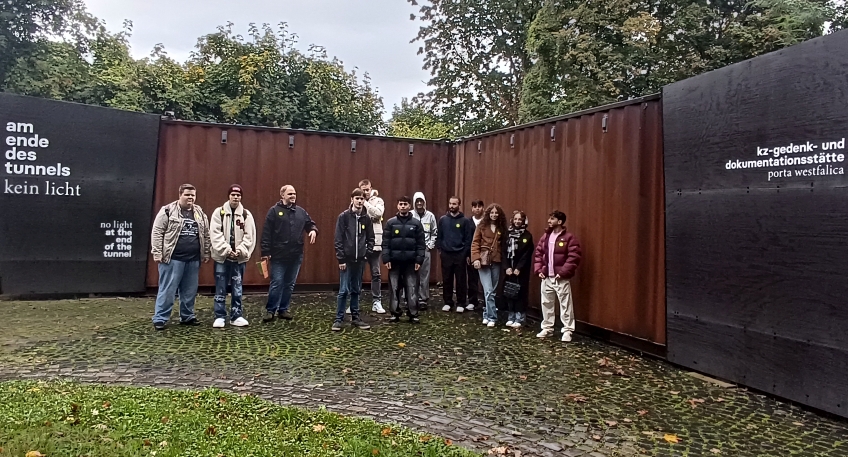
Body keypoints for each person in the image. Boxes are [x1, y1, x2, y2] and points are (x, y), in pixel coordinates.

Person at [150, 183, 211, 330]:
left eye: (193, 195)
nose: (190, 197)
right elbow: (157, 232)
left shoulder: (200, 213)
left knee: (190, 291)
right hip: (173, 259)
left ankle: (187, 316)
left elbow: (206, 234)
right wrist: (157, 252)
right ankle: (160, 318)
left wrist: (206, 252)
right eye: (187, 194)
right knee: (168, 290)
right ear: (180, 195)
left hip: (193, 259)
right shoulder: (167, 211)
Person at [260, 185, 318, 322]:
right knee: (277, 283)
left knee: (289, 284)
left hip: (296, 256)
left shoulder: (301, 212)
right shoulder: (274, 211)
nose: (293, 196)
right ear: (282, 195)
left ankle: (283, 309)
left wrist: (313, 230)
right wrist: (265, 252)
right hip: (278, 256)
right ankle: (270, 310)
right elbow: (266, 233)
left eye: (294, 194)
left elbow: (310, 223)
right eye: (290, 193)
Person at [209, 184, 257, 328]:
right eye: (233, 195)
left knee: (237, 288)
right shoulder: (219, 213)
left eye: (238, 195)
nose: (236, 197)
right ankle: (219, 316)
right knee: (220, 287)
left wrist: (241, 250)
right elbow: (215, 234)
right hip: (222, 258)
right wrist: (226, 250)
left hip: (238, 259)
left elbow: (250, 235)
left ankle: (236, 316)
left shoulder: (246, 215)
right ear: (229, 196)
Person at [533, 210, 582, 342]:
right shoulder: (545, 237)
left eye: (552, 219)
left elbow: (574, 257)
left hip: (560, 278)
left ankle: (567, 330)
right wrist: (539, 270)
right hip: (546, 277)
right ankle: (547, 328)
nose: (549, 221)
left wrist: (563, 272)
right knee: (546, 303)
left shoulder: (569, 238)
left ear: (559, 221)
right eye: (549, 218)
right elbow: (538, 254)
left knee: (565, 304)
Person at [332, 188, 375, 331]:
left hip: (360, 260)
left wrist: (367, 254)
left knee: (356, 289)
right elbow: (338, 239)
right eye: (357, 198)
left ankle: (356, 318)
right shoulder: (344, 217)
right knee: (344, 290)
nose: (360, 201)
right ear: (352, 199)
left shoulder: (366, 218)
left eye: (362, 199)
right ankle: (339, 319)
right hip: (346, 260)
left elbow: (371, 238)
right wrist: (341, 259)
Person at [382, 196, 425, 323]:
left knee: (412, 289)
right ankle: (395, 313)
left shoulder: (416, 223)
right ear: (397, 206)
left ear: (409, 206)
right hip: (394, 262)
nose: (403, 206)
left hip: (411, 262)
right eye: (400, 204)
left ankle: (413, 314)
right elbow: (385, 243)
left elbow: (421, 244)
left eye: (405, 204)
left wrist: (419, 260)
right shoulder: (390, 223)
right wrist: (386, 258)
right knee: (394, 288)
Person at [471, 203, 507, 327]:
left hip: (496, 261)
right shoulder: (481, 226)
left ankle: (486, 314)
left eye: (496, 213)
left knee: (492, 291)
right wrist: (475, 259)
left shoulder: (501, 228)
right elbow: (475, 243)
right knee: (488, 290)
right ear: (488, 213)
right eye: (492, 212)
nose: (494, 215)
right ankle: (492, 317)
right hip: (483, 261)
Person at [436, 196, 474, 313]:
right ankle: (448, 302)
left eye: (454, 204)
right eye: (450, 203)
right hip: (446, 254)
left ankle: (461, 303)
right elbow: (439, 236)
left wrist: (465, 253)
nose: (452, 206)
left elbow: (468, 239)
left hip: (460, 254)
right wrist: (440, 249)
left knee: (461, 279)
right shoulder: (443, 220)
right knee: (447, 279)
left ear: (459, 205)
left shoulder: (465, 221)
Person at [502, 211, 534, 328]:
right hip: (509, 268)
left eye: (520, 219)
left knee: (520, 292)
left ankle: (520, 317)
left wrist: (519, 267)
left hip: (521, 269)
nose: (517, 221)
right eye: (515, 219)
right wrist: (506, 267)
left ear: (523, 221)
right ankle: (511, 315)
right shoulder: (507, 234)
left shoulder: (527, 236)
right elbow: (503, 252)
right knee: (509, 291)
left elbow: (527, 253)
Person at [359, 179, 386, 314]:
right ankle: (355, 301)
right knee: (358, 273)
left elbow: (378, 214)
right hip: (361, 243)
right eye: (363, 190)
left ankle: (377, 301)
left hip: (375, 243)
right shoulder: (357, 200)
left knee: (376, 273)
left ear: (371, 188)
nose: (365, 192)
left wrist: (366, 204)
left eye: (367, 189)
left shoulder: (378, 200)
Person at [411, 192, 438, 310]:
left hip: (425, 250)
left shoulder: (430, 216)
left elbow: (434, 232)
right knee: (411, 274)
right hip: (412, 250)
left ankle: (423, 299)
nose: (419, 203)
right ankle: (411, 298)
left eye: (421, 201)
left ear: (424, 202)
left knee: (424, 275)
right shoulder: (410, 215)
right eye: (417, 201)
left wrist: (430, 246)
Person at [466, 200, 485, 310]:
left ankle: (487, 303)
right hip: (472, 254)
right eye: (475, 206)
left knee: (485, 280)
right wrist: (467, 255)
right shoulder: (468, 222)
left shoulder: (486, 222)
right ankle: (472, 301)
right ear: (472, 208)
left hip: (485, 254)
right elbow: (466, 239)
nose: (477, 208)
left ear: (483, 208)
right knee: (472, 279)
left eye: (479, 206)